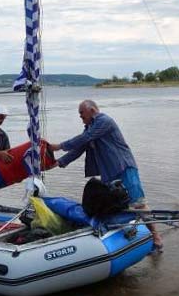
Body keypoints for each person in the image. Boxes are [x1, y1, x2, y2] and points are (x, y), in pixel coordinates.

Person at [50, 99, 163, 250]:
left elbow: (84, 138)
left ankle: (156, 237)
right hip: (108, 173)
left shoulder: (104, 121)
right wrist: (57, 163)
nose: (80, 117)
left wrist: (59, 146)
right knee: (116, 206)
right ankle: (125, 237)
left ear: (92, 110)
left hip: (124, 168)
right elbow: (79, 148)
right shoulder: (90, 127)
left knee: (139, 203)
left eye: (81, 113)